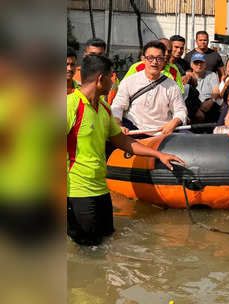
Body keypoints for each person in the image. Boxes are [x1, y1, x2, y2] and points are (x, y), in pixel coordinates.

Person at [67, 54, 184, 246]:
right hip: (76, 192)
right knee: (86, 249)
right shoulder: (70, 106)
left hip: (100, 188)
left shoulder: (104, 107)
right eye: (111, 77)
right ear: (100, 79)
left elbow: (121, 139)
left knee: (106, 240)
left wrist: (158, 154)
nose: (114, 82)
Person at [111, 41, 188, 135]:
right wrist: (118, 125)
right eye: (150, 58)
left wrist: (174, 123)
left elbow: (180, 110)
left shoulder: (172, 86)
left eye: (159, 58)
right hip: (134, 131)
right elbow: (118, 106)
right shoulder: (129, 82)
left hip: (162, 134)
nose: (154, 62)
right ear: (143, 59)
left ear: (164, 60)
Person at [73, 38, 120, 104]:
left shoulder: (112, 79)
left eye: (100, 55)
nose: (96, 58)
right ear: (84, 55)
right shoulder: (73, 74)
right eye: (92, 54)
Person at [190, 52, 221, 123]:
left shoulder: (212, 75)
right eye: (196, 62)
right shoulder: (188, 77)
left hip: (209, 106)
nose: (199, 65)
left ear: (205, 64)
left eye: (201, 62)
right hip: (194, 108)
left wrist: (212, 100)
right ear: (191, 64)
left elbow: (216, 90)